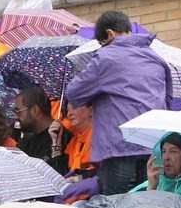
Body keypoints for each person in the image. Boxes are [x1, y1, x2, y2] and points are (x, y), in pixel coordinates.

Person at [66, 11, 173, 196]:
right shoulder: (156, 57)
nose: (101, 46)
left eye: (101, 42)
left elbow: (74, 94)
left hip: (119, 146)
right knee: (146, 207)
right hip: (153, 145)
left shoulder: (106, 56)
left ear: (110, 34)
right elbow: (168, 99)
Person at [13, 86, 57, 161]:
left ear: (34, 110)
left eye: (18, 111)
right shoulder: (27, 139)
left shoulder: (60, 139)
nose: (16, 117)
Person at [50, 102, 94, 175]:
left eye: (74, 108)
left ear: (91, 111)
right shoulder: (73, 142)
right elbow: (60, 175)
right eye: (67, 110)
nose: (69, 114)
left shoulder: (101, 137)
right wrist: (56, 142)